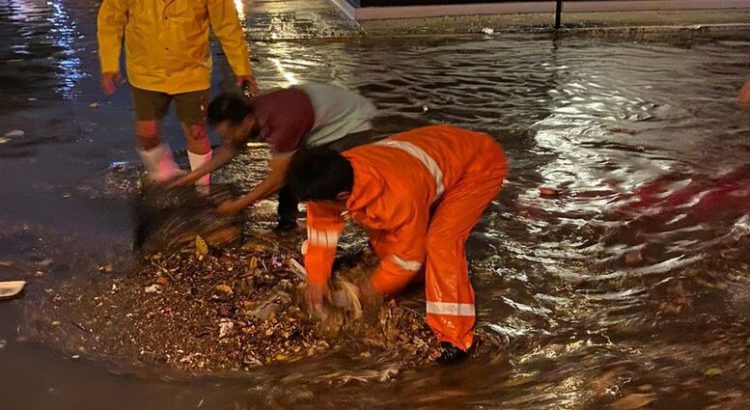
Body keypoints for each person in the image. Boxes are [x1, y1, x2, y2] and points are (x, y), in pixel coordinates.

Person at [285, 124, 508, 362]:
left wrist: (368, 291)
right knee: (387, 238)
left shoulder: (398, 196)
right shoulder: (332, 176)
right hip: (437, 155)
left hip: (479, 166)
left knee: (440, 241)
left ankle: (455, 337)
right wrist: (317, 279)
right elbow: (321, 232)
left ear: (340, 197)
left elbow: (407, 257)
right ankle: (424, 279)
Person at [172, 82, 378, 231]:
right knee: (293, 169)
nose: (229, 139)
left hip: (350, 125)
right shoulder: (250, 114)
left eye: (230, 133)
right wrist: (189, 177)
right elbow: (229, 149)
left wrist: (237, 206)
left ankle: (367, 224)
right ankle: (287, 225)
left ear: (247, 122)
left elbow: (277, 179)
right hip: (317, 121)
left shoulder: (282, 125)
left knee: (326, 181)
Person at [97, 0, 256, 192]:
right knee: (147, 133)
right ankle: (165, 177)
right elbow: (110, 21)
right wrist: (109, 65)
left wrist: (241, 68)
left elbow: (227, 25)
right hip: (145, 73)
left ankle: (202, 188)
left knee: (196, 131)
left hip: (192, 72)